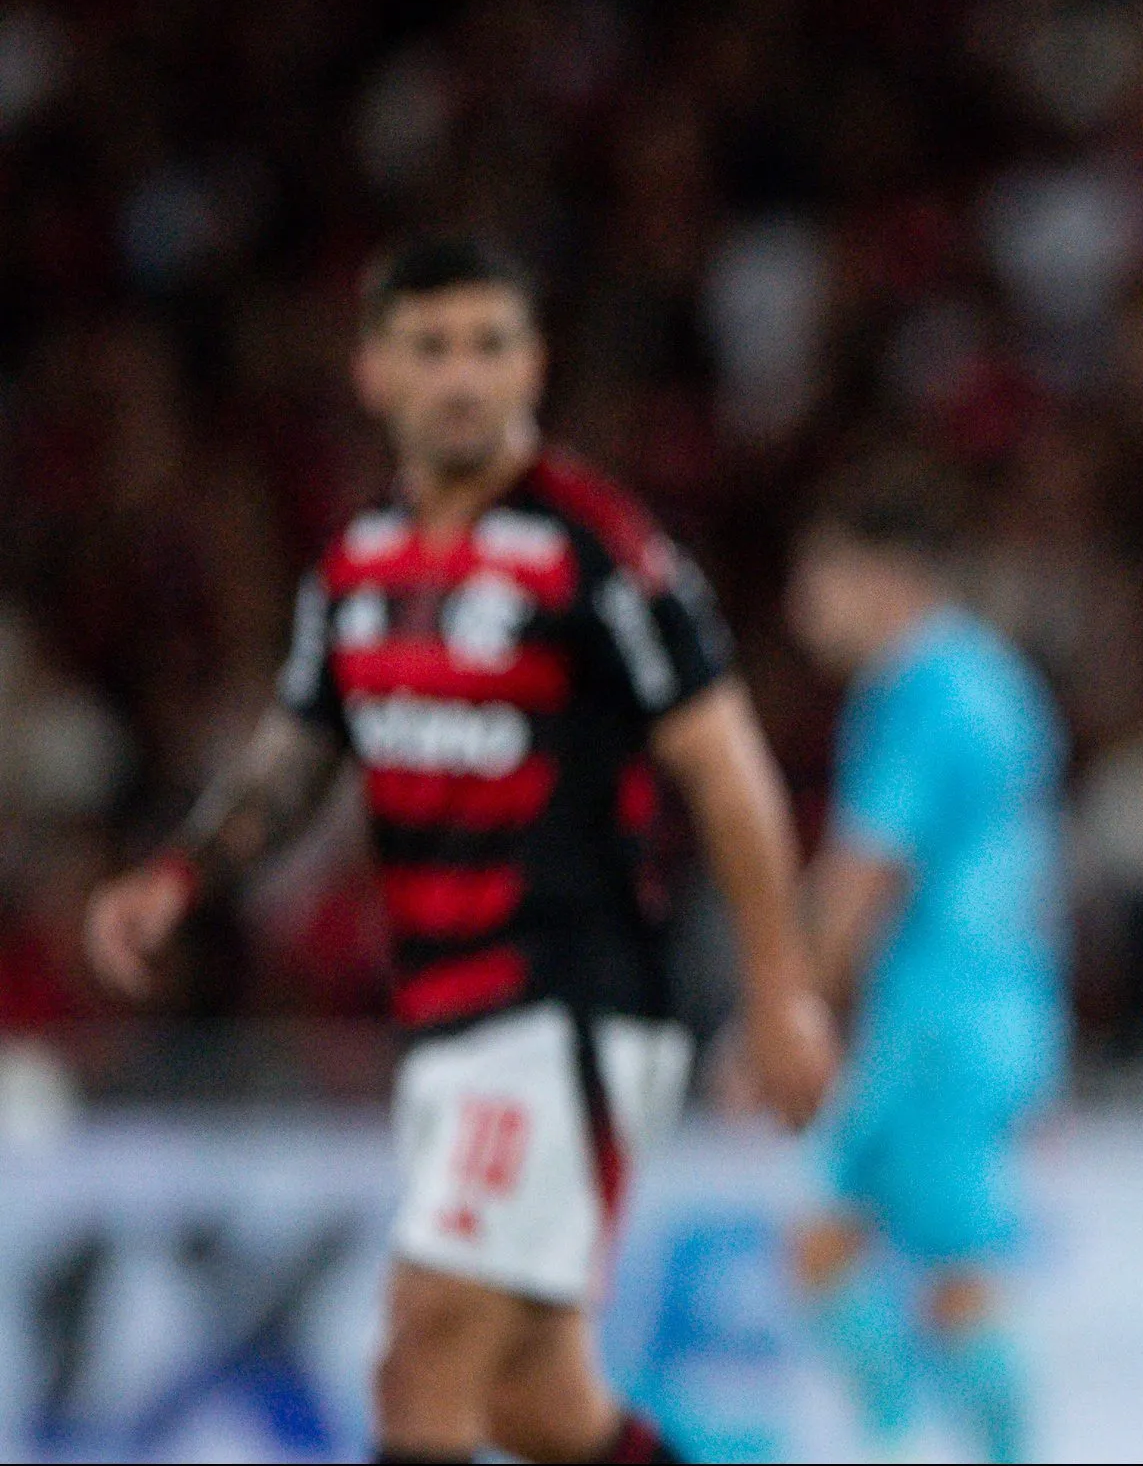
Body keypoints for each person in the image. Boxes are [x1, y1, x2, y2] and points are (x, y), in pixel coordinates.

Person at [83, 239, 838, 1466]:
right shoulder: (357, 566)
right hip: (441, 1021)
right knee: (537, 1406)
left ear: (533, 366)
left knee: (420, 1351)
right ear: (374, 372)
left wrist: (782, 990)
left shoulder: (598, 548)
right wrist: (179, 876)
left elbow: (727, 765)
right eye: (430, 348)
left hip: (567, 1008)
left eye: (490, 345)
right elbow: (298, 750)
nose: (462, 376)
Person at [782, 458, 1068, 1463]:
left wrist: (786, 1008)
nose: (802, 605)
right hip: (983, 1004)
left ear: (882, 573)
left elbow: (865, 870)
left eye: (819, 576)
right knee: (822, 1248)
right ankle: (897, 1442)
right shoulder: (992, 679)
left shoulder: (922, 688)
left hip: (944, 1016)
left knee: (955, 1277)